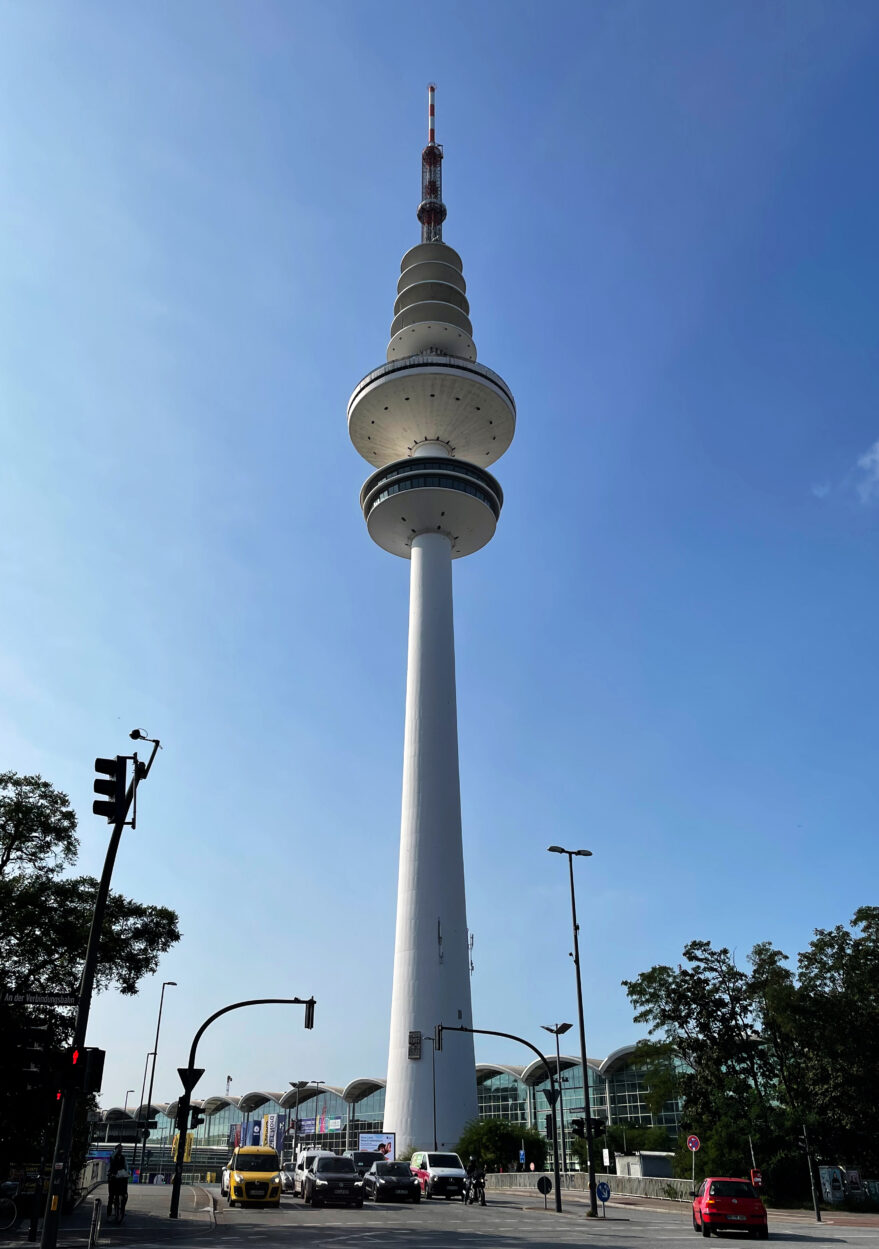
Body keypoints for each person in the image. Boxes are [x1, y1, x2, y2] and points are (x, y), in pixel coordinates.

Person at [107, 1146, 129, 1222]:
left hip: (121, 1178)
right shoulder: (113, 1156)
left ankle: (122, 1209)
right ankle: (109, 1214)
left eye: (121, 1149)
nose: (120, 1151)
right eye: (119, 1149)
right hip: (113, 1178)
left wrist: (127, 1173)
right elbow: (112, 1157)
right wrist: (116, 1150)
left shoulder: (123, 1157)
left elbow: (126, 1166)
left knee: (124, 1194)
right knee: (111, 1196)